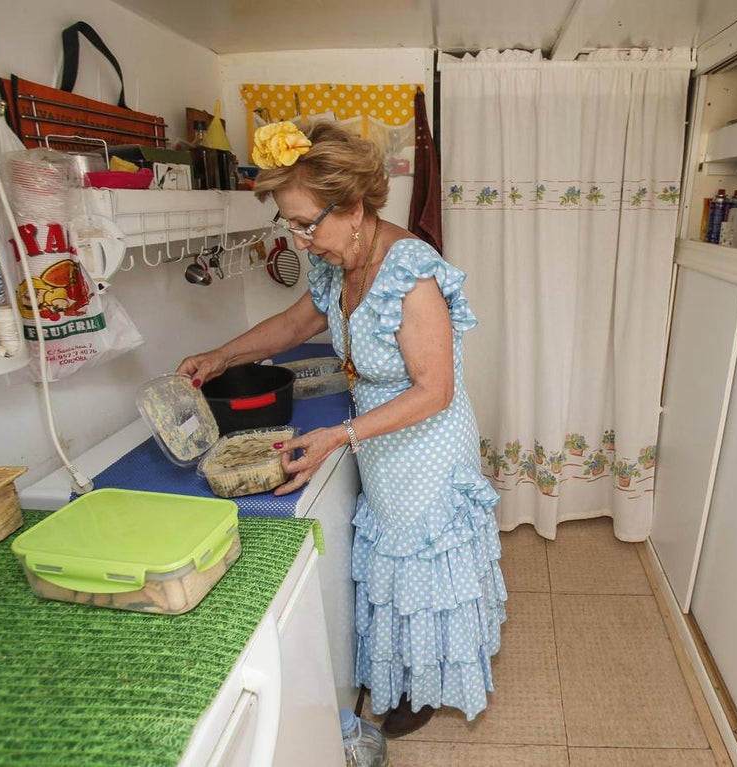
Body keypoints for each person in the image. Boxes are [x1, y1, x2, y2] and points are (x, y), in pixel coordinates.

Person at [177, 120, 507, 736]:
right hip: (380, 436)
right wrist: (222, 356)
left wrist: (337, 435)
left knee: (422, 558)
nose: (300, 242)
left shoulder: (411, 269)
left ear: (353, 207)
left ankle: (428, 681)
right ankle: (405, 669)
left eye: (307, 223)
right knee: (394, 554)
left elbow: (435, 390)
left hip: (426, 440)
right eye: (290, 224)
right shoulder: (337, 262)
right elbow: (298, 323)